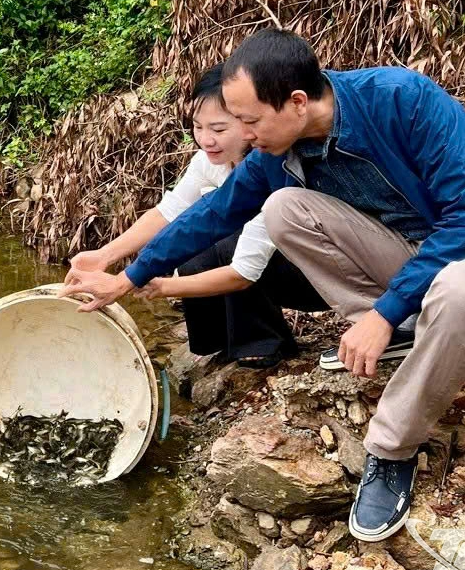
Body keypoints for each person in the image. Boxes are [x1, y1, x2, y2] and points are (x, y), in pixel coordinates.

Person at [59, 28, 465, 542]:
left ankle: (392, 450)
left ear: (297, 103)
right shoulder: (278, 153)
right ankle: (406, 329)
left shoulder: (401, 99)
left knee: (457, 291)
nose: (242, 133)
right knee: (284, 209)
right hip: (413, 255)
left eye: (249, 120)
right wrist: (126, 277)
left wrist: (384, 310)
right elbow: (211, 215)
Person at [67, 65, 325, 368]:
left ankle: (264, 344)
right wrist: (104, 256)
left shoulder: (274, 166)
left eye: (218, 129)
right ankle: (217, 341)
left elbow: (244, 268)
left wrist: (154, 286)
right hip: (260, 264)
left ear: (247, 124)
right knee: (194, 243)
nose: (206, 139)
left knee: (229, 240)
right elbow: (169, 212)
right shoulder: (208, 162)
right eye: (198, 127)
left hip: (311, 277)